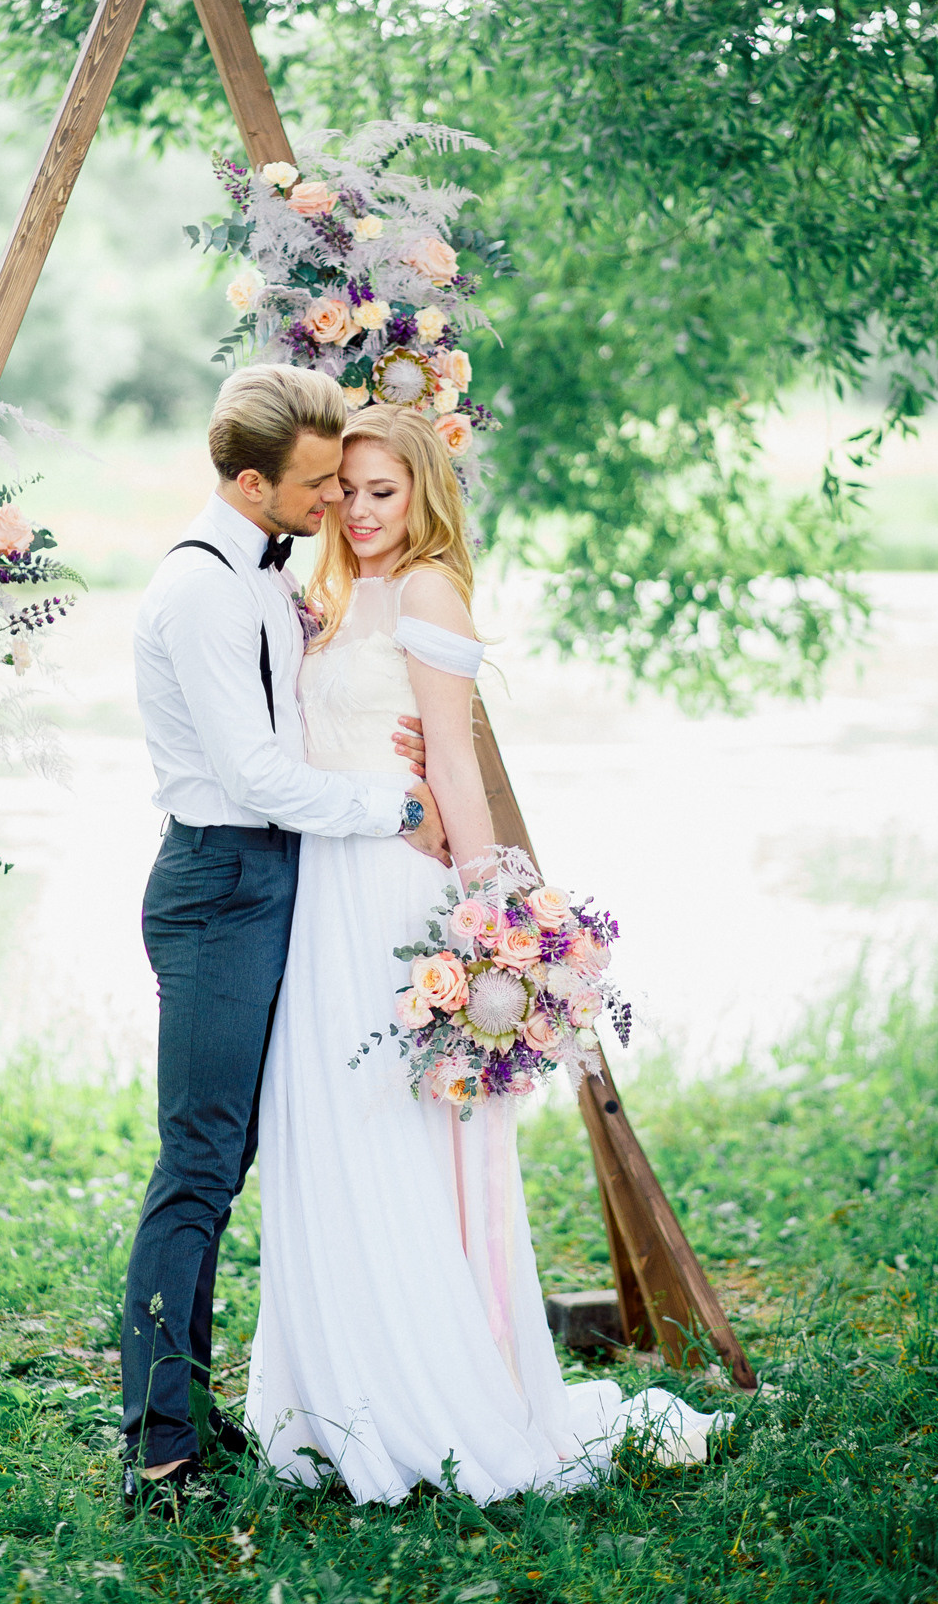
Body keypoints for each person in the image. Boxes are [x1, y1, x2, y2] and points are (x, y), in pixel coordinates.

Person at [247, 403, 722, 1504]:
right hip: (326, 890)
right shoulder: (332, 594)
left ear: (421, 493)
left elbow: (453, 766)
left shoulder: (427, 588)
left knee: (404, 1135)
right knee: (334, 1128)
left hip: (395, 900)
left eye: (384, 491)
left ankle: (434, 1389)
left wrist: (492, 925)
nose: (361, 511)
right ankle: (339, 1388)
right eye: (348, 490)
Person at [121, 365, 447, 1514]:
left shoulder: (263, 576)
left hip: (270, 874)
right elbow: (255, 773)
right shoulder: (204, 590)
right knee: (198, 1165)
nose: (330, 504)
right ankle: (159, 1452)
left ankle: (186, 1403)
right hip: (220, 880)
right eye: (315, 483)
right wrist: (394, 809)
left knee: (229, 1155)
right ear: (251, 481)